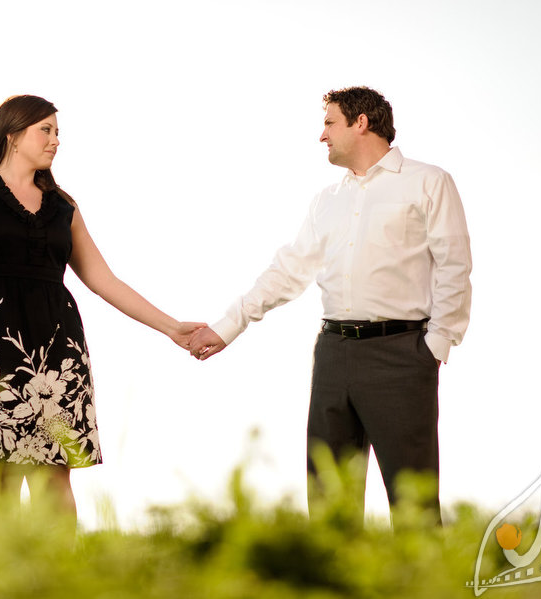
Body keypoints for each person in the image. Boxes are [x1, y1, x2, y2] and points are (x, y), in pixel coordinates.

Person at [187, 86, 472, 521]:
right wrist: (228, 326)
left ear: (361, 123)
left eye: (329, 123)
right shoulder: (327, 201)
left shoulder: (428, 181)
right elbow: (288, 270)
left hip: (402, 355)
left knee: (413, 501)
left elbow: (454, 266)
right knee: (327, 500)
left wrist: (436, 346)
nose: (322, 136)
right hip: (333, 354)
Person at [0, 94, 203, 518]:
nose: (55, 140)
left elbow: (103, 279)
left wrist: (171, 327)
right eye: (46, 130)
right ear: (13, 134)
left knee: (55, 474)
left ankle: (60, 579)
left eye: (57, 132)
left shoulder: (64, 205)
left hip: (58, 351)